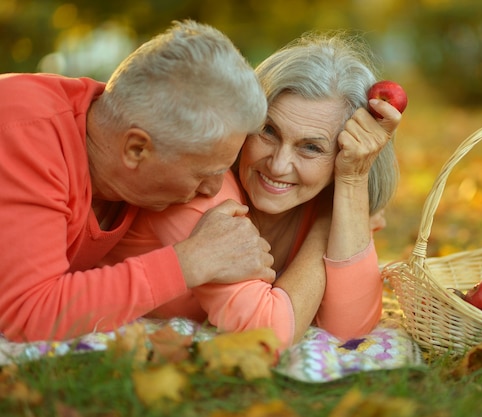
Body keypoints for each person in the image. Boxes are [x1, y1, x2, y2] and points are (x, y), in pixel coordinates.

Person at [104, 31, 401, 351]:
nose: (278, 164)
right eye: (269, 131)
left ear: (345, 155)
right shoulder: (197, 189)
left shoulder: (331, 191)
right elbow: (267, 335)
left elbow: (351, 329)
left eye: (311, 147)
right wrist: (328, 225)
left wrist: (354, 183)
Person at [0, 20, 276, 342]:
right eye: (204, 174)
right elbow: (29, 313)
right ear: (136, 149)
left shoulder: (124, 146)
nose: (213, 189)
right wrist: (191, 261)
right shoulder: (25, 132)